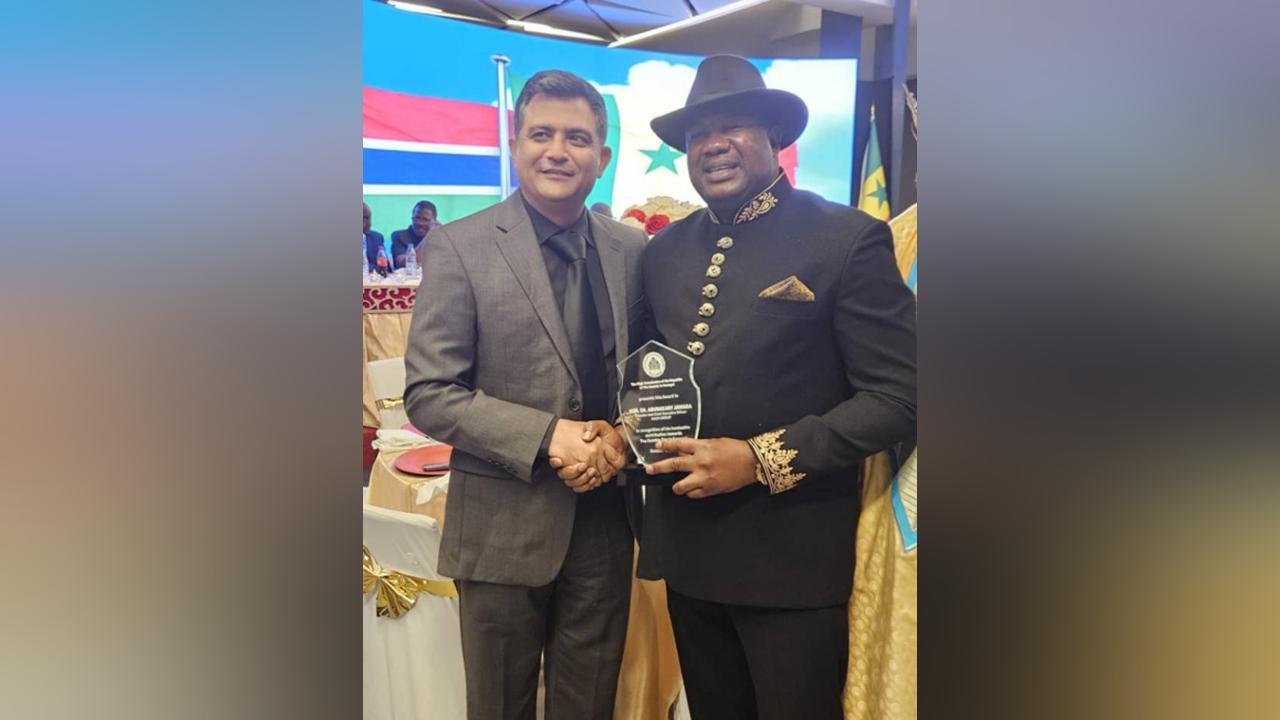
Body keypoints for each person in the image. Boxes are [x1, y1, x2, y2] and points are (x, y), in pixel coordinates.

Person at [634, 55, 917, 720]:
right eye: (697, 135)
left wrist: (759, 459)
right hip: (689, 551)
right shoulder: (663, 253)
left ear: (774, 136)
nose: (713, 145)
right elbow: (650, 379)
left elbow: (900, 397)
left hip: (792, 559)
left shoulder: (844, 238)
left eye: (732, 126)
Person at [403, 69, 648, 720]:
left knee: (590, 706)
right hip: (502, 525)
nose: (557, 151)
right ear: (515, 146)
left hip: (606, 523)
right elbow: (429, 393)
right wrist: (549, 435)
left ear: (603, 156)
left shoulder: (631, 248)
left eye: (577, 137)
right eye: (541, 134)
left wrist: (623, 437)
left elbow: (652, 373)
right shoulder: (460, 246)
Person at [390, 200, 437, 269]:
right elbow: (402, 264)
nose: (420, 223)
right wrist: (429, 236)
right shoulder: (399, 236)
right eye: (417, 218)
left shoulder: (441, 238)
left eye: (425, 219)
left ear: (434, 222)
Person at [363, 202, 388, 276]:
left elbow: (385, 268)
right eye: (365, 218)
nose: (370, 223)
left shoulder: (377, 238)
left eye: (369, 218)